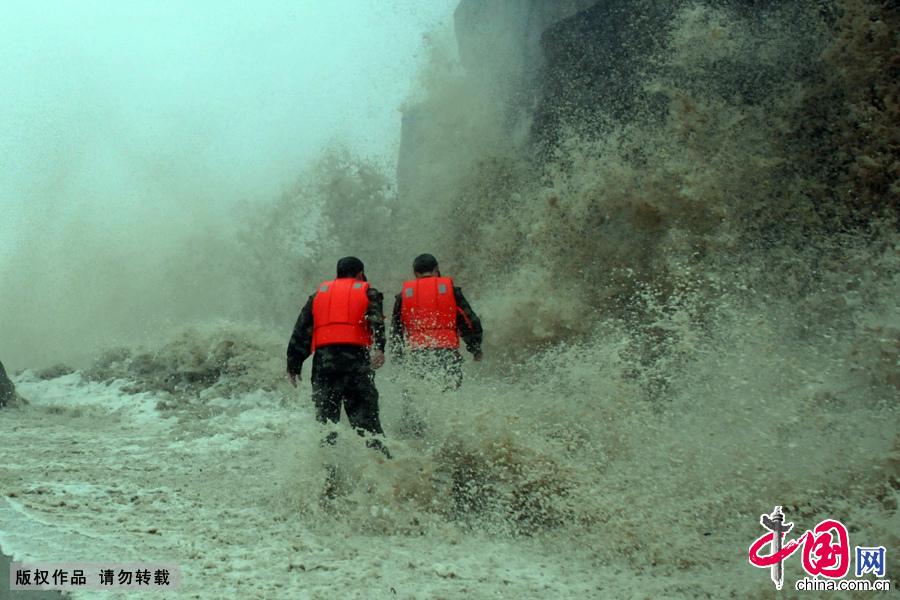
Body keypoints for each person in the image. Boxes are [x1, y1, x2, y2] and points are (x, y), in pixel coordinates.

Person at [286, 256, 390, 458]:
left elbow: (302, 329)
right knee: (367, 425)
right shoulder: (369, 293)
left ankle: (329, 478)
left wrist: (294, 363)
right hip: (356, 364)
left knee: (326, 426)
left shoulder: (318, 295)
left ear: (337, 274)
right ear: (360, 274)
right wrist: (380, 349)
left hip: (324, 366)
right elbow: (376, 321)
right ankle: (385, 472)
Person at [390, 253, 483, 393]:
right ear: (437, 270)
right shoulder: (451, 290)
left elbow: (396, 329)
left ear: (415, 273)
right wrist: (474, 347)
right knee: (449, 392)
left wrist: (397, 356)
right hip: (447, 351)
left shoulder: (404, 295)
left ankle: (412, 414)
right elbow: (468, 320)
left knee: (417, 393)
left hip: (418, 353)